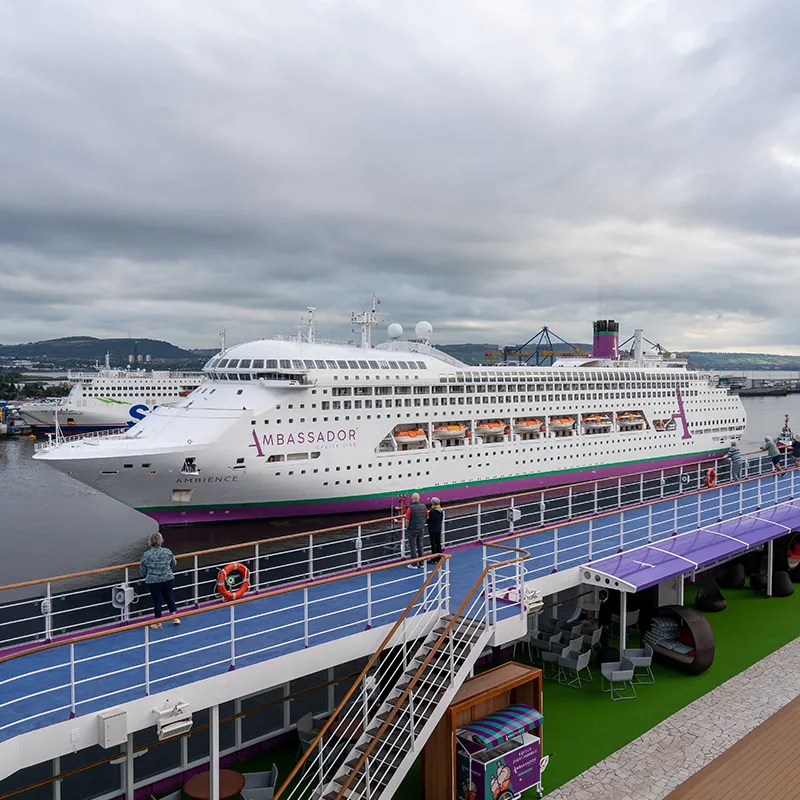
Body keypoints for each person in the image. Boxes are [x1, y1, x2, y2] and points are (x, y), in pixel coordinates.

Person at [140, 532, 180, 629]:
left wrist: (147, 576)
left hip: (153, 581)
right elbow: (174, 563)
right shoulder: (167, 551)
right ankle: (175, 618)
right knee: (169, 597)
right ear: (161, 540)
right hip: (168, 579)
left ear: (150, 542)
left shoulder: (146, 555)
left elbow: (143, 570)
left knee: (157, 601)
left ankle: (158, 623)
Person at [404, 492, 428, 568]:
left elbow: (407, 519)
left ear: (412, 499)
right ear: (419, 499)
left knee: (413, 546)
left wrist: (406, 527)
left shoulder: (410, 508)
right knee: (420, 545)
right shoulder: (424, 506)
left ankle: (414, 564)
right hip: (421, 528)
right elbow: (427, 516)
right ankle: (422, 563)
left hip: (412, 529)